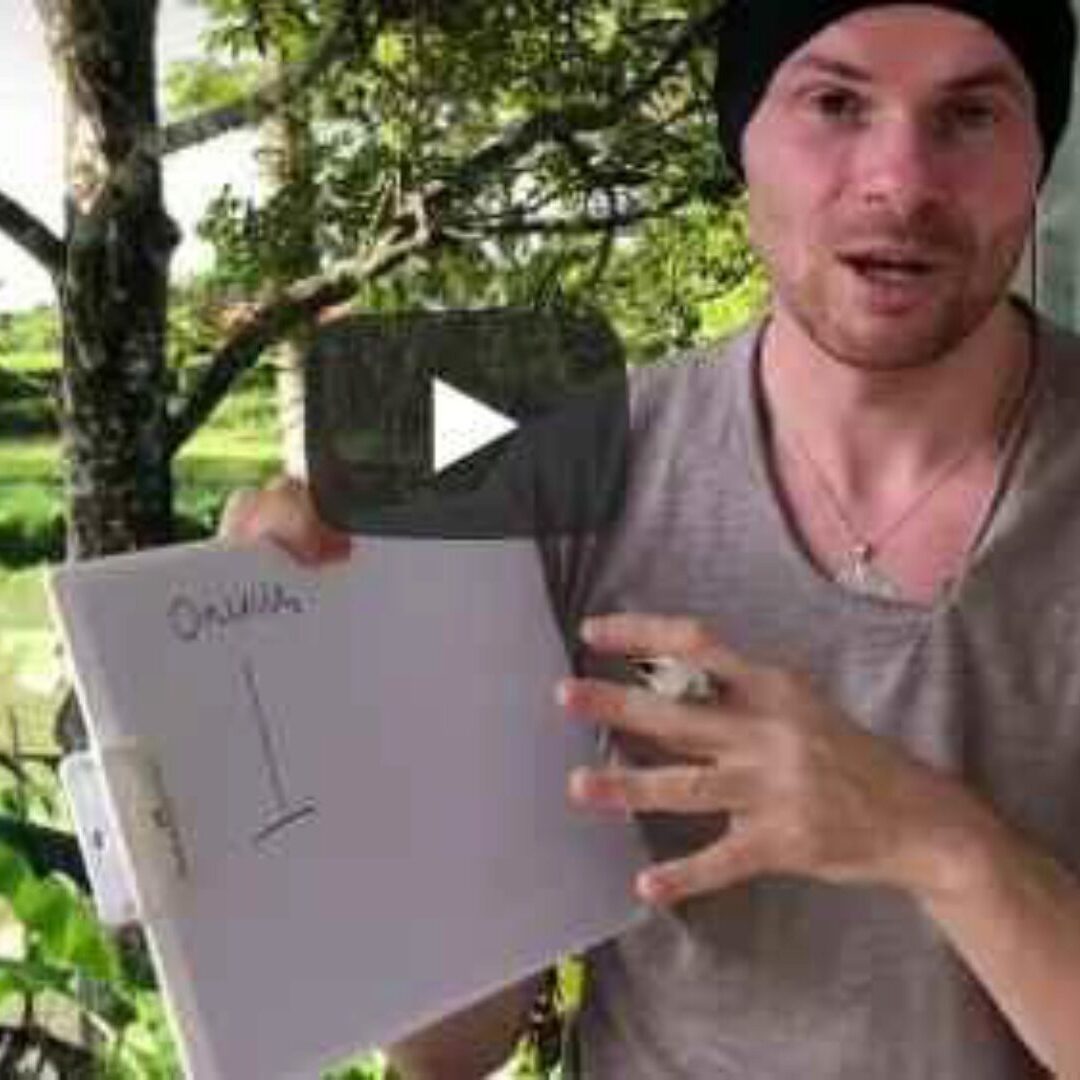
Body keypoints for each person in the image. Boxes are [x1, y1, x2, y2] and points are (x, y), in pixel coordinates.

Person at [220, 1, 1080, 1075]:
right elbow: (450, 1045)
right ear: (742, 141)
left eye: (971, 113)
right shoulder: (564, 481)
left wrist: (931, 839)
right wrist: (330, 666)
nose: (901, 182)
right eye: (835, 102)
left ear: (1040, 152)